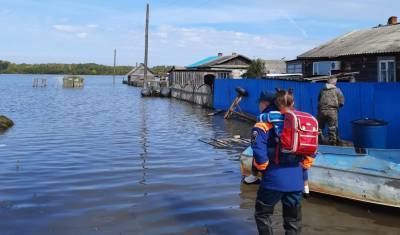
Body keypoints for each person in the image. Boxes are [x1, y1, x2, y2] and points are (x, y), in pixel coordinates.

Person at [251, 89, 315, 235]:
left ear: (266, 104)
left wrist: (264, 169)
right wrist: (303, 169)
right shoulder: (301, 123)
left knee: (263, 214)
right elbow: (312, 149)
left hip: (274, 179)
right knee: (293, 220)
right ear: (292, 103)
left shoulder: (264, 123)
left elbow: (258, 151)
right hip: (296, 180)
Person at [243, 90, 276, 184]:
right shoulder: (282, 115)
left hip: (271, 159)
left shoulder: (262, 121)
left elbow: (255, 145)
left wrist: (263, 170)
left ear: (264, 103)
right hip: (288, 158)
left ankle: (254, 176)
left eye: (259, 103)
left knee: (256, 147)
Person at [317, 77, 345, 145]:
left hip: (321, 111)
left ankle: (319, 141)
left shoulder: (322, 90)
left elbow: (319, 99)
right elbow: (342, 102)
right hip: (332, 111)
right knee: (332, 128)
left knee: (319, 127)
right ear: (334, 83)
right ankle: (332, 143)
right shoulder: (337, 90)